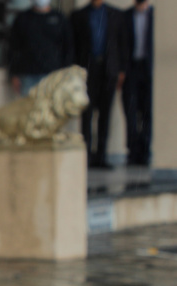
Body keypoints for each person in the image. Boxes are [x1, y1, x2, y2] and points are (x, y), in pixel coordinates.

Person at [71, 0, 129, 169]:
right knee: (87, 114)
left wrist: (122, 70)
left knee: (105, 115)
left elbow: (123, 44)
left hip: (108, 70)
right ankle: (86, 155)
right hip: (87, 70)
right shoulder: (79, 16)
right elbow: (74, 45)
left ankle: (101, 155)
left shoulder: (116, 15)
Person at [8, 0, 74, 97]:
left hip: (54, 75)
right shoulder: (23, 18)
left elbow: (68, 48)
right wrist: (14, 74)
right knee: (29, 105)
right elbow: (13, 47)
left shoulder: (59, 18)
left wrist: (66, 73)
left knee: (51, 105)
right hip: (28, 75)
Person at [122, 0, 154, 166]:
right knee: (131, 112)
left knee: (148, 112)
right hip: (131, 69)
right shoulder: (126, 16)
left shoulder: (154, 16)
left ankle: (145, 151)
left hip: (149, 70)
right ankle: (133, 152)